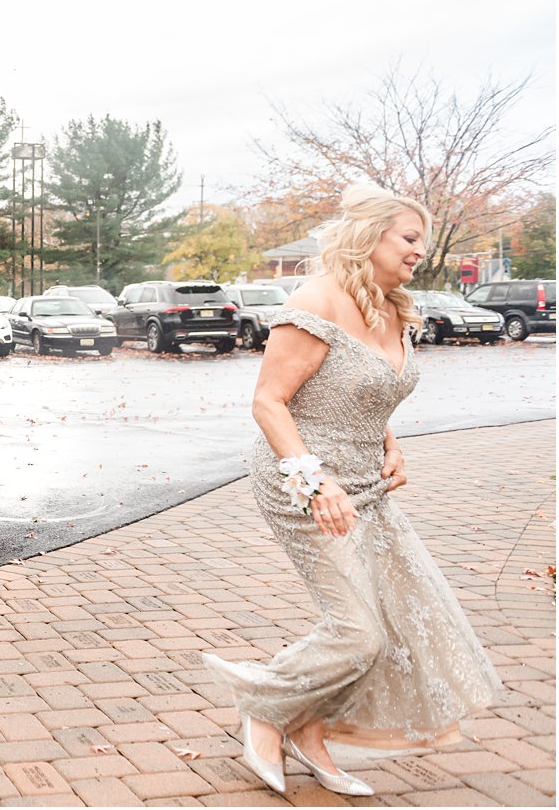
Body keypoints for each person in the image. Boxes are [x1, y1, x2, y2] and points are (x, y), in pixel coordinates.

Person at [201, 186, 499, 797]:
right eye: (410, 238)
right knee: (357, 631)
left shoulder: (394, 307)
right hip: (302, 479)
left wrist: (391, 442)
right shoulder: (317, 299)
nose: (422, 250)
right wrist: (316, 485)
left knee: (395, 622)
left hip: (368, 482)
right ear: (370, 236)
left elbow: (366, 389)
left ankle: (308, 730)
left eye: (424, 239)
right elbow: (269, 403)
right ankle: (266, 707)